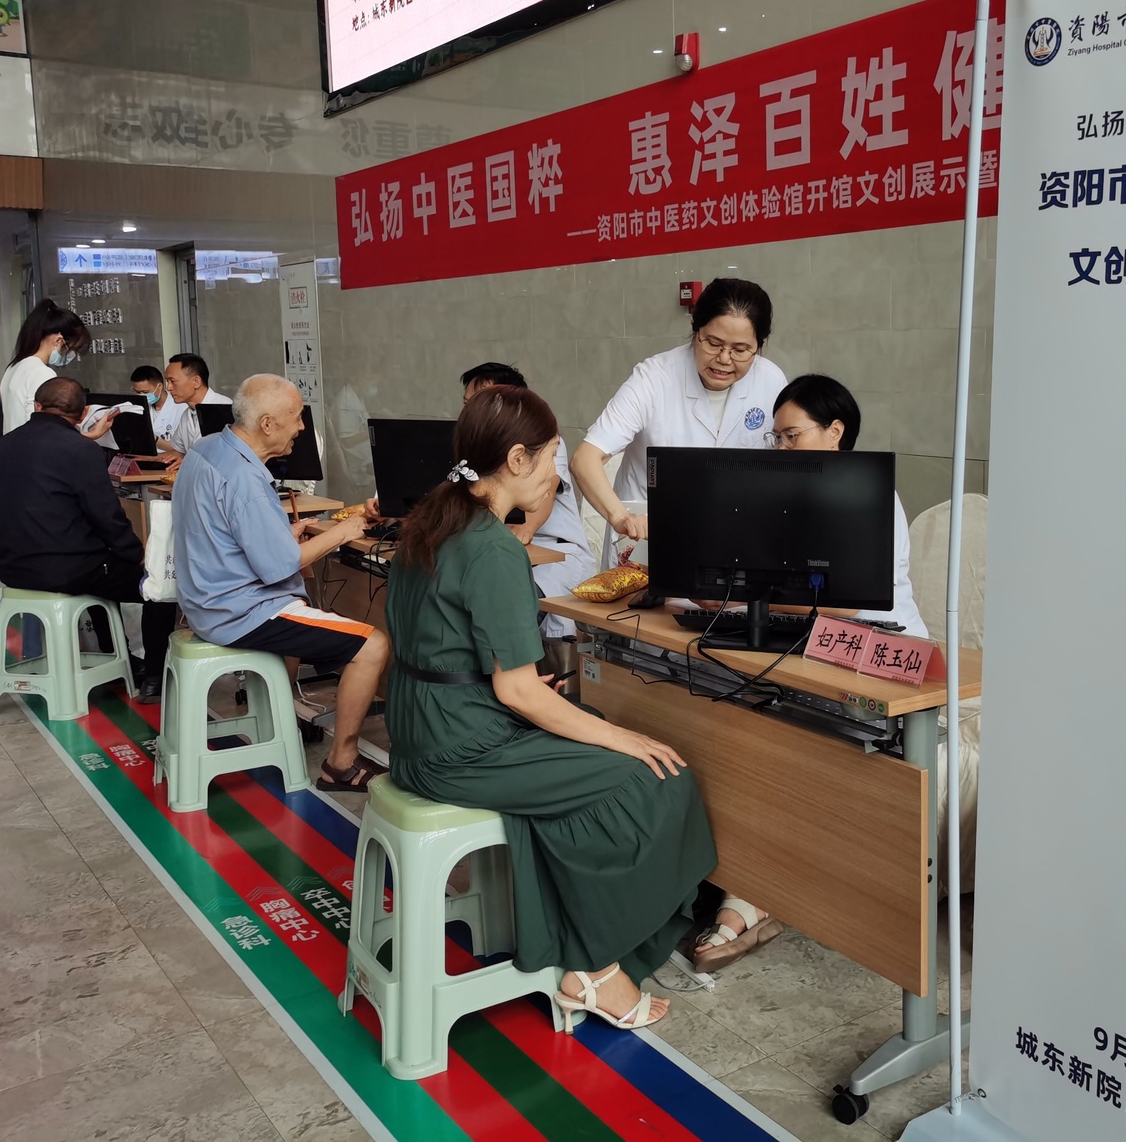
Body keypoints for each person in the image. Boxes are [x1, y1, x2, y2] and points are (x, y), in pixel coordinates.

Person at [383, 386, 721, 1028]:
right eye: (552, 457)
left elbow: (456, 655)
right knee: (654, 775)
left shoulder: (431, 519)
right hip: (460, 744)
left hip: (420, 725)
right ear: (517, 459)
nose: (556, 474)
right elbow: (516, 690)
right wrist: (620, 739)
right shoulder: (493, 548)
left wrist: (552, 708)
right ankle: (596, 966)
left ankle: (571, 937)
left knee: (594, 738)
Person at [172, 374, 388, 791]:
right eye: (297, 417)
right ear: (268, 424)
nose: (302, 428)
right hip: (239, 611)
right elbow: (280, 567)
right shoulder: (246, 480)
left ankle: (283, 721)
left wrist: (280, 533)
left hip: (201, 601)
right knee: (372, 644)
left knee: (310, 613)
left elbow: (222, 532)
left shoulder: (207, 449)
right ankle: (341, 764)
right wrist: (345, 531)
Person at [0, 377, 176, 701]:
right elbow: (107, 517)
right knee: (159, 584)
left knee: (103, 571)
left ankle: (121, 661)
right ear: (84, 412)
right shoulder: (81, 450)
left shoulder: (3, 445)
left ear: (37, 406)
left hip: (10, 567)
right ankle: (155, 678)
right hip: (65, 570)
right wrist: (137, 553)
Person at [572, 279, 787, 563]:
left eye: (740, 350)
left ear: (759, 345)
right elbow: (585, 459)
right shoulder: (654, 378)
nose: (724, 359)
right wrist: (621, 517)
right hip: (647, 539)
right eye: (713, 343)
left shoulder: (771, 382)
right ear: (695, 329)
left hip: (734, 541)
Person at [769, 375, 930, 639]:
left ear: (834, 432)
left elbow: (848, 603)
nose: (781, 448)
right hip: (815, 635)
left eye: (791, 436)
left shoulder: (869, 495)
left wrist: (752, 601)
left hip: (884, 640)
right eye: (777, 438)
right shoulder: (791, 497)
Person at [460, 362, 595, 649]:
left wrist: (527, 528)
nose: (472, 411)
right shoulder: (474, 447)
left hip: (555, 554)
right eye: (467, 404)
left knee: (512, 610)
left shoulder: (542, 441)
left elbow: (547, 491)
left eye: (482, 402)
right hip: (503, 550)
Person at [0, 300, 113, 440]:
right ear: (59, 341)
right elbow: (44, 433)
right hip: (33, 451)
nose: (73, 357)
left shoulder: (14, 367)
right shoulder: (42, 373)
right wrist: (91, 436)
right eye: (73, 349)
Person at [156, 353, 231, 462]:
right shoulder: (187, 414)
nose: (169, 387)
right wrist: (146, 458)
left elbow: (226, 458)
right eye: (167, 381)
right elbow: (178, 452)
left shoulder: (224, 408)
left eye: (173, 381)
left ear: (196, 382)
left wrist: (187, 462)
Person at [131, 364, 183, 445]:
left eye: (145, 392)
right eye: (138, 392)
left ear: (159, 387)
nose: (142, 396)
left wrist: (152, 438)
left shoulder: (180, 408)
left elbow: (181, 448)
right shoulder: (137, 408)